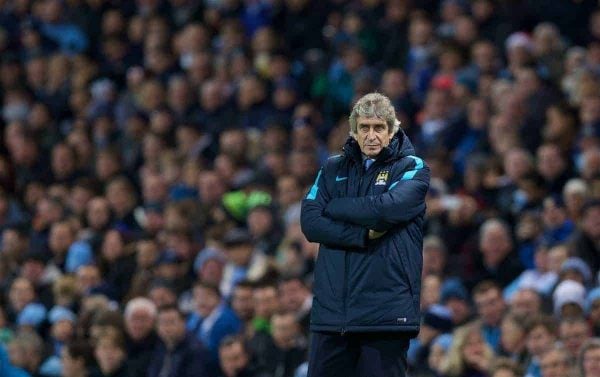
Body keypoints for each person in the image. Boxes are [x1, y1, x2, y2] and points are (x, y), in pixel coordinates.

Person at [301, 93, 430, 377]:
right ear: (354, 131)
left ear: (392, 129)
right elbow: (310, 223)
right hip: (332, 315)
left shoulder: (411, 167)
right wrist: (360, 235)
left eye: (379, 127)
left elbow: (386, 210)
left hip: (384, 316)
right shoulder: (332, 168)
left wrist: (333, 206)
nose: (371, 135)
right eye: (364, 127)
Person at [147, 305, 209, 377]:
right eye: (162, 322)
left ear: (183, 323)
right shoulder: (160, 345)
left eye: (171, 322)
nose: (166, 327)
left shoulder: (195, 350)